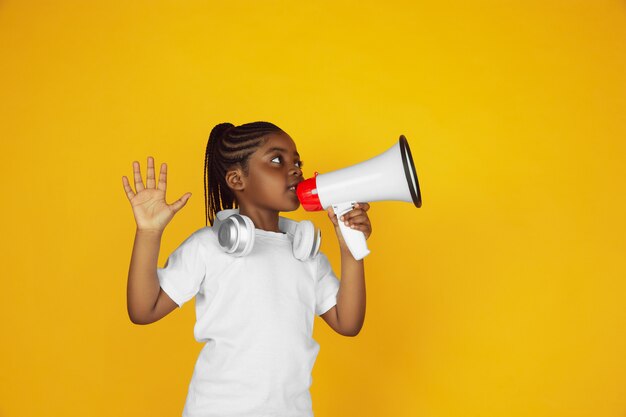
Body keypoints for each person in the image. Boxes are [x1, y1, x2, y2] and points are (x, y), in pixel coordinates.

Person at [122, 121, 372, 417]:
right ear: (237, 179)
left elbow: (348, 323)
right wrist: (149, 233)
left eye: (297, 162)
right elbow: (143, 310)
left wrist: (350, 249)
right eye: (277, 160)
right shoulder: (209, 246)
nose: (295, 170)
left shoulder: (306, 252)